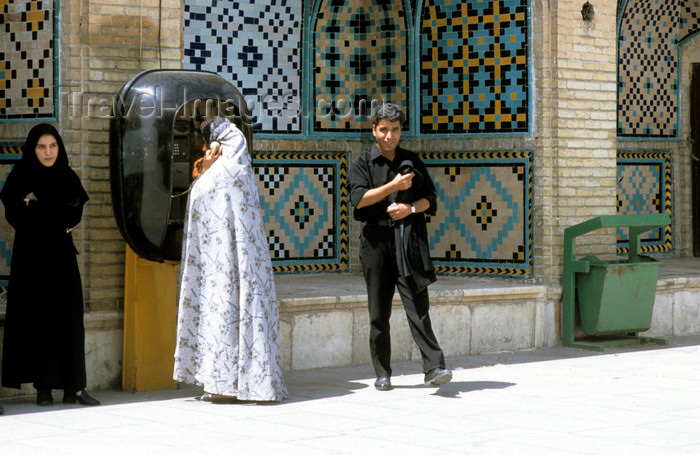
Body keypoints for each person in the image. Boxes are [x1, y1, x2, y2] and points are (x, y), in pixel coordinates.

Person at [173, 116, 288, 403]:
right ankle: (249, 383)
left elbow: (197, 199)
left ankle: (221, 384)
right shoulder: (243, 169)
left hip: (219, 268)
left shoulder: (218, 174)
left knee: (220, 317)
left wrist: (205, 171)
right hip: (245, 267)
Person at [348, 103, 452, 391]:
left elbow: (431, 198)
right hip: (376, 243)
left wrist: (411, 208)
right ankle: (382, 373)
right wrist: (392, 185)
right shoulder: (363, 163)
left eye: (394, 130)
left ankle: (434, 367)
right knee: (378, 313)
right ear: (374, 130)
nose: (389, 136)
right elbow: (359, 199)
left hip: (408, 240)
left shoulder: (412, 160)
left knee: (418, 307)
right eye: (384, 130)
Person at [0, 123, 100, 406]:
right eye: (42, 147)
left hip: (62, 259)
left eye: (53, 146)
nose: (48, 152)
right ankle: (43, 388)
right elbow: (17, 215)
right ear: (33, 149)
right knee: (38, 319)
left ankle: (75, 388)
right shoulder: (21, 175)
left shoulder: (68, 176)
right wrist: (51, 212)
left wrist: (36, 204)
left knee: (68, 319)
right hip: (30, 259)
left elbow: (72, 215)